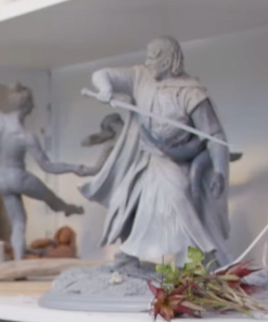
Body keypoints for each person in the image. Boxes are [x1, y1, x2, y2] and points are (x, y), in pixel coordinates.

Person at [80, 36, 233, 266]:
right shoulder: (140, 76)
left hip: (173, 159)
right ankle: (128, 255)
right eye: (148, 56)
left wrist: (220, 170)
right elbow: (102, 74)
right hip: (143, 157)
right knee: (125, 201)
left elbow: (215, 136)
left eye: (153, 58)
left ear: (168, 61)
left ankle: (203, 254)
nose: (148, 62)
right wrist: (106, 88)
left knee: (178, 194)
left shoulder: (191, 92)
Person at [0, 83, 90, 260]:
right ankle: (67, 208)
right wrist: (74, 168)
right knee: (50, 198)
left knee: (19, 224)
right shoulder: (25, 136)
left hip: (2, 179)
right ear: (28, 107)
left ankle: (19, 264)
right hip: (18, 177)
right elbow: (48, 166)